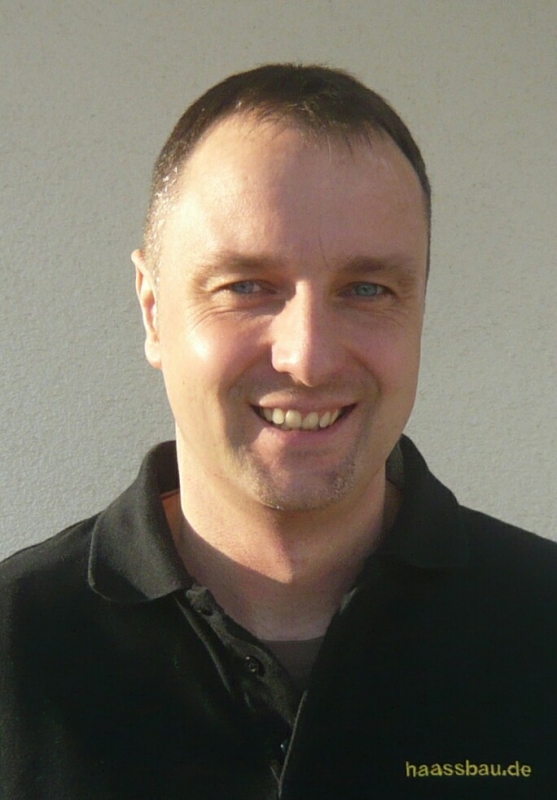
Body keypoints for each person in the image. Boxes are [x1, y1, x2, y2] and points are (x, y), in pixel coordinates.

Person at [0, 64, 555, 800]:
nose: (307, 357)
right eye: (245, 287)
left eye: (366, 289)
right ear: (153, 311)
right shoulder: (15, 650)